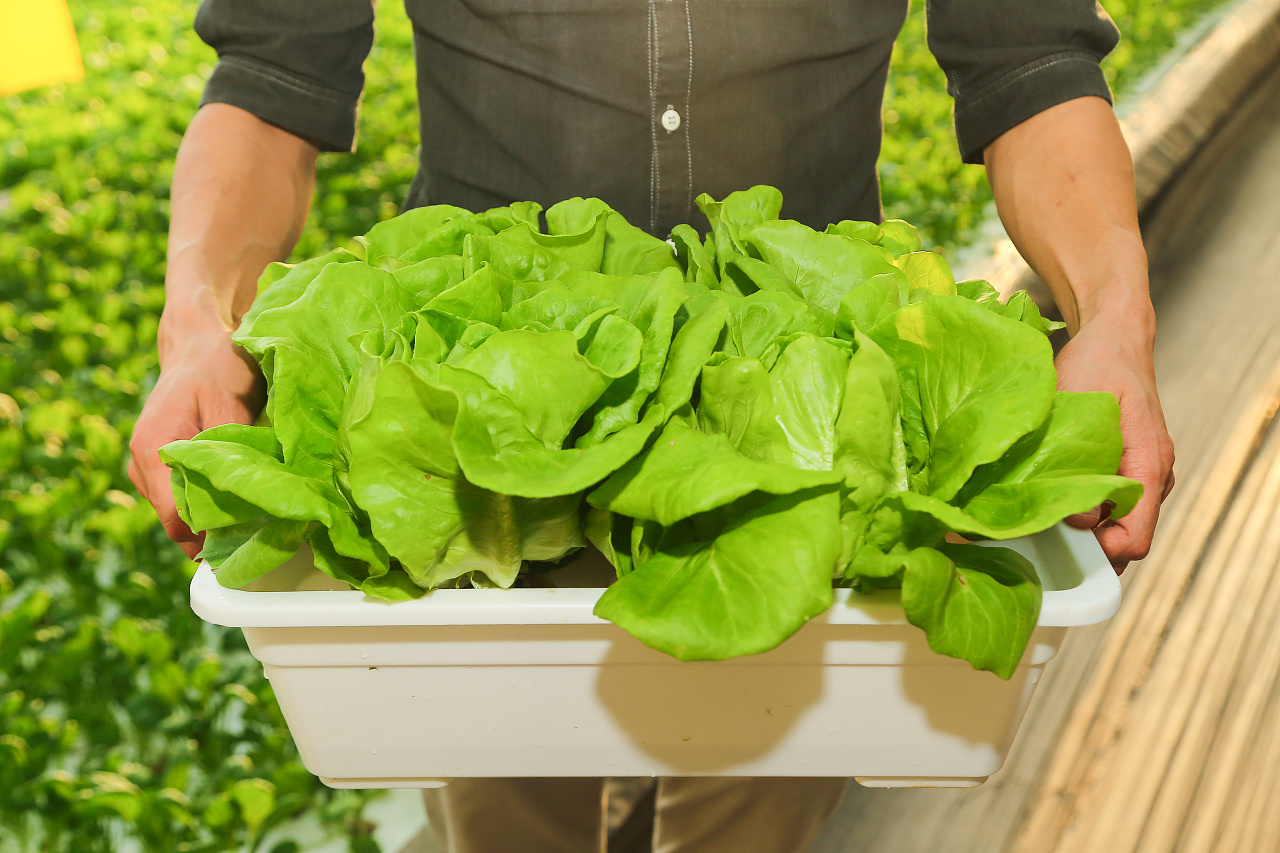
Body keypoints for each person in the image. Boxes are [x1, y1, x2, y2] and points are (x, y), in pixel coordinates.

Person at [128, 0, 1176, 850]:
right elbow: (270, 77)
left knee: (757, 805)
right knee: (505, 814)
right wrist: (197, 326)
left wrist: (1115, 322)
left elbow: (1029, 63)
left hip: (797, 416)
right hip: (474, 429)